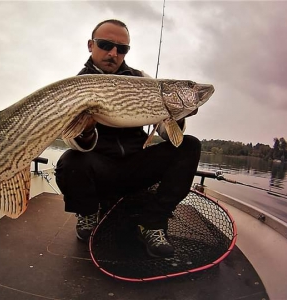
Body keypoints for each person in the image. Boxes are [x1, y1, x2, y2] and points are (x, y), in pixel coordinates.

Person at [55, 19, 201, 258]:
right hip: (100, 171)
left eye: (122, 49)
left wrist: (178, 114)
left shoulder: (142, 80)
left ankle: (153, 223)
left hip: (136, 166)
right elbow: (72, 139)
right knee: (70, 160)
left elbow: (166, 134)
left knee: (189, 146)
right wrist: (87, 129)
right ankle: (88, 211)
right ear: (91, 45)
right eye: (105, 45)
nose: (113, 53)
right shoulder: (76, 86)